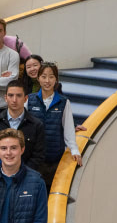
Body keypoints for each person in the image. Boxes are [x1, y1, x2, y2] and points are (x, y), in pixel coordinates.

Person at [27, 62, 82, 191]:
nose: (47, 81)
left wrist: (74, 150)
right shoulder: (29, 99)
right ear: (38, 78)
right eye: (44, 76)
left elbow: (68, 128)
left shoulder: (63, 102)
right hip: (34, 159)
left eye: (51, 77)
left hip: (54, 159)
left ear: (56, 79)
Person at [0, 80, 45, 171]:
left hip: (26, 177)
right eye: (11, 95)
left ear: (25, 98)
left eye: (19, 95)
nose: (14, 100)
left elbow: (38, 157)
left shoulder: (36, 125)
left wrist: (22, 174)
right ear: (5, 98)